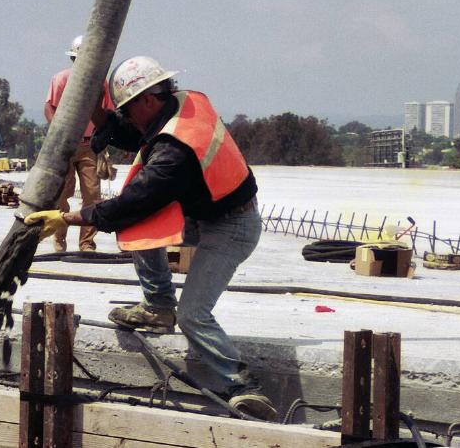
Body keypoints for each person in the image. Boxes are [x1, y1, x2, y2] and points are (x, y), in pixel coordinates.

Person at [26, 56, 275, 420]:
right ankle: (158, 307)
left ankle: (243, 384)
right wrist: (99, 112)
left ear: (147, 100)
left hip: (232, 225)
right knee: (140, 231)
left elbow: (133, 203)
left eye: (126, 108)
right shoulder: (182, 103)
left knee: (193, 315)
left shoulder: (176, 149)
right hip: (206, 209)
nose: (124, 115)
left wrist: (67, 217)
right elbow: (133, 134)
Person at [44, 34, 114, 252]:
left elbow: (108, 112)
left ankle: (86, 243)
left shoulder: (100, 83)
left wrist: (103, 143)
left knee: (92, 195)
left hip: (89, 145)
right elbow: (50, 108)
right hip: (66, 145)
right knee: (62, 194)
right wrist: (60, 134)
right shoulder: (61, 79)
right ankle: (59, 237)